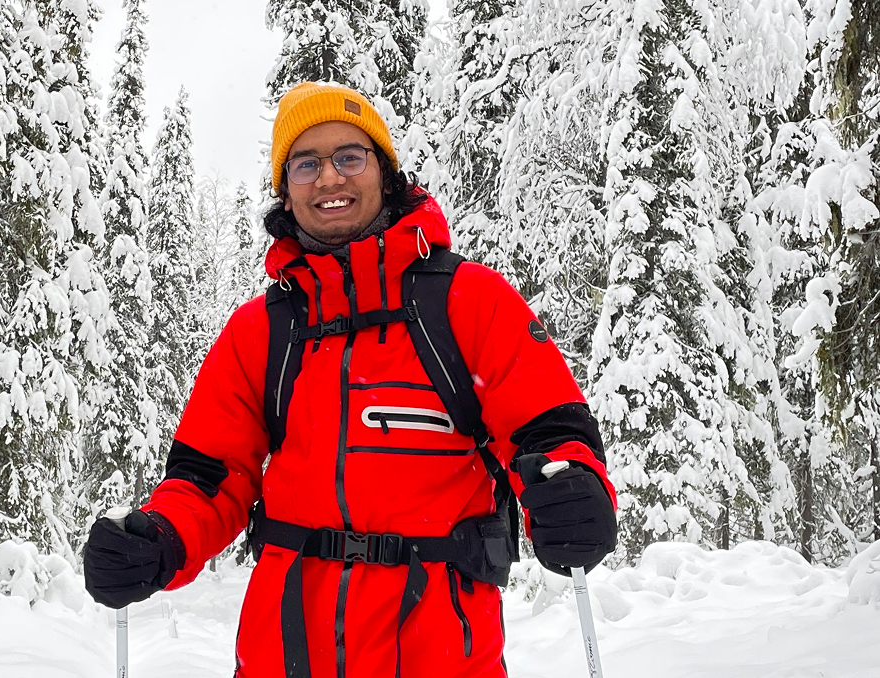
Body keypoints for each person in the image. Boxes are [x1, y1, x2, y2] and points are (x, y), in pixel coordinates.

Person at [83, 82, 618, 678]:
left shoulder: (470, 303)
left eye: (349, 157)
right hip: (282, 656)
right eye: (306, 164)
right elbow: (208, 478)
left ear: (385, 174)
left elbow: (550, 431)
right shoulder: (260, 331)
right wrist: (158, 539)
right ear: (285, 191)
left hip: (439, 655)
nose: (329, 179)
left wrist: (575, 490)